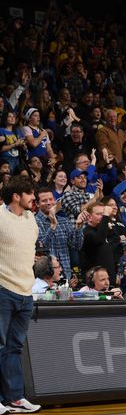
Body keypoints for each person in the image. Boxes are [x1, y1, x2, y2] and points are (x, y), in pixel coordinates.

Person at [0, 176, 42, 412]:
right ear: (17, 196)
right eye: (30, 194)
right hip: (2, 289)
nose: (33, 198)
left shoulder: (31, 218)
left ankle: (14, 397)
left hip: (26, 292)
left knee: (14, 347)